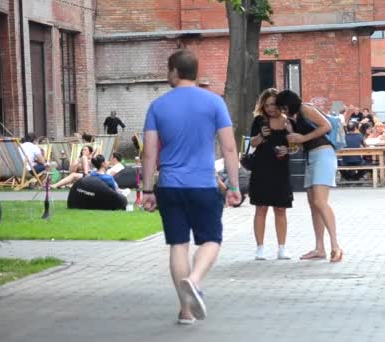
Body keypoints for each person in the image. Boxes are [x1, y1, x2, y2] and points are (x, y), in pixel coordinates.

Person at [141, 49, 241, 323]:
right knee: (211, 240)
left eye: (167, 69)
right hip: (204, 185)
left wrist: (147, 190)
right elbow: (229, 148)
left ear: (175, 71)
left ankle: (186, 311)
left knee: (178, 245)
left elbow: (149, 153)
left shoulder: (158, 106)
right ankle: (195, 280)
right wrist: (234, 185)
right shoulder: (215, 103)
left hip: (170, 186)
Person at [275, 89, 343, 263]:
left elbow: (326, 126)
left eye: (283, 107)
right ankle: (319, 247)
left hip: (323, 154)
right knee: (313, 205)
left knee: (321, 201)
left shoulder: (306, 109)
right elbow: (297, 145)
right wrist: (289, 146)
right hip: (311, 156)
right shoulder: (291, 120)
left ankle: (335, 246)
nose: (282, 111)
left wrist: (303, 138)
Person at [248, 88, 293, 260]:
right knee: (261, 208)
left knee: (280, 208)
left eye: (273, 104)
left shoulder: (288, 122)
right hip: (262, 168)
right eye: (266, 105)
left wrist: (287, 149)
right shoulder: (260, 121)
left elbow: (296, 146)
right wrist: (260, 136)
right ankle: (260, 248)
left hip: (280, 169)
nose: (270, 108)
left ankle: (282, 247)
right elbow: (251, 143)